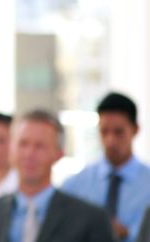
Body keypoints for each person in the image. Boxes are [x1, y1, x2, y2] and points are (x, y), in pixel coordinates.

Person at [0, 110, 114, 242]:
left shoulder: (89, 219)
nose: (29, 154)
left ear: (59, 154)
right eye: (23, 144)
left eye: (40, 146)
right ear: (12, 149)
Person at [62, 92, 150, 242]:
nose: (110, 141)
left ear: (135, 130)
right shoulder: (73, 186)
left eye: (118, 132)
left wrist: (128, 232)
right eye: (104, 132)